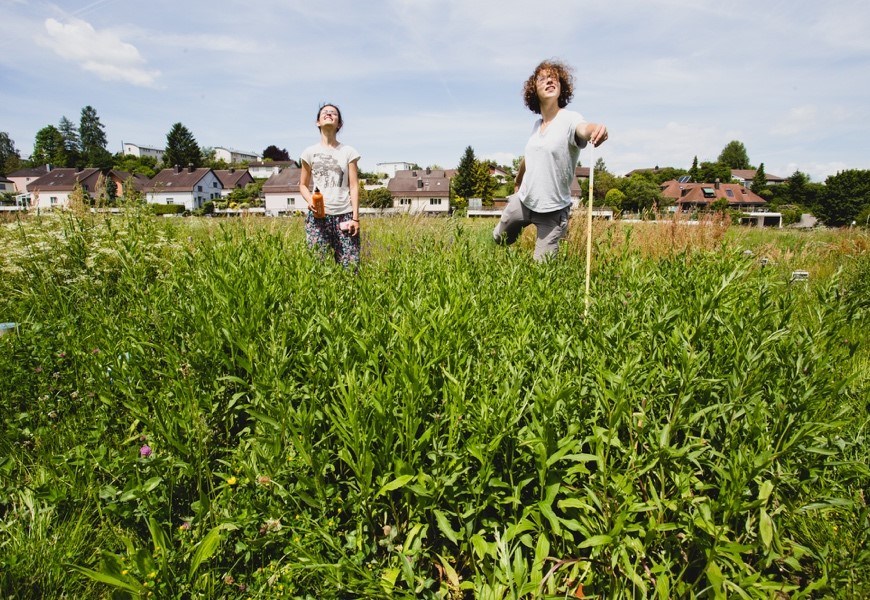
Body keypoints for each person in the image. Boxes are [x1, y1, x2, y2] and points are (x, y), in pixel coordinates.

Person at [493, 59, 608, 261]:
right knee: (499, 238)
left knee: (543, 271)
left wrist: (595, 130)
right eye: (542, 78)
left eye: (554, 78)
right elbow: (528, 157)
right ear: (533, 90)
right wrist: (518, 180)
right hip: (524, 201)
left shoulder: (570, 119)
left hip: (553, 210)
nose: (549, 81)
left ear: (561, 86)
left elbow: (583, 128)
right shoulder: (537, 126)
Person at [299, 103, 361, 268]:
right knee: (318, 267)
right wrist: (310, 200)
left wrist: (355, 218)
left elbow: (354, 187)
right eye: (324, 112)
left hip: (345, 216)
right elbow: (303, 185)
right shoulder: (309, 153)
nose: (328, 114)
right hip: (318, 217)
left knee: (350, 268)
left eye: (333, 113)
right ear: (317, 122)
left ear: (339, 124)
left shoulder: (348, 152)